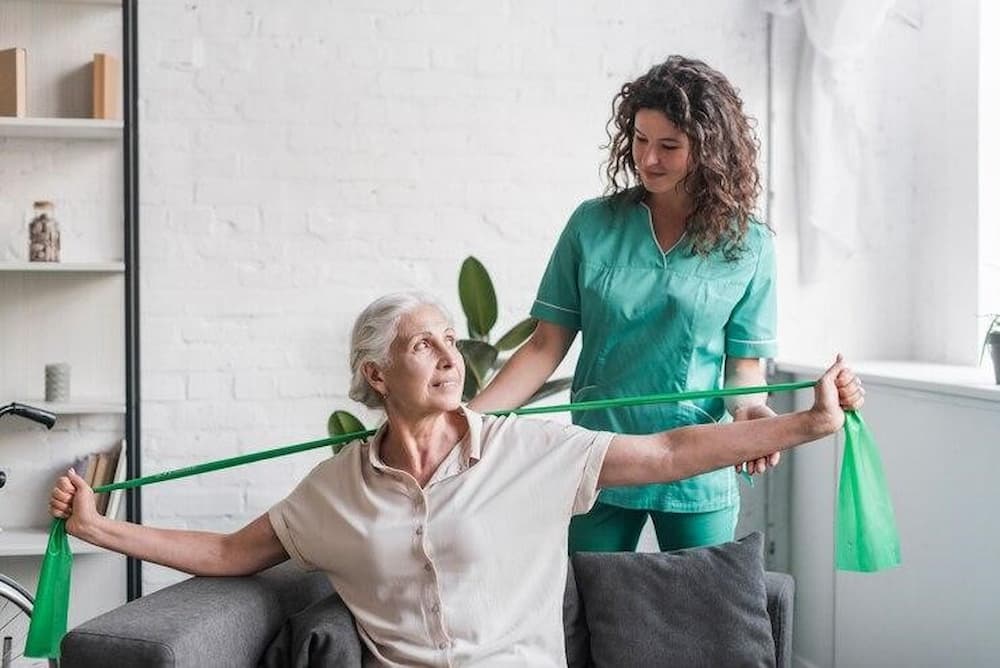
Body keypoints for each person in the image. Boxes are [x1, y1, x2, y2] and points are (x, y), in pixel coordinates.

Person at [50, 292, 863, 667]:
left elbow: (666, 454)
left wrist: (806, 421)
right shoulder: (334, 491)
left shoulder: (522, 452)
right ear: (376, 376)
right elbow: (231, 551)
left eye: (448, 338)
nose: (448, 356)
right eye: (421, 345)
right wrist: (97, 526)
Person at [470, 55, 801, 554]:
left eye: (669, 146)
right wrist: (465, 420)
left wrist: (751, 410)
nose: (648, 159)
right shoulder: (591, 224)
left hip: (697, 463)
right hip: (601, 458)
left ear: (710, 150)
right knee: (586, 609)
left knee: (699, 609)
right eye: (640, 140)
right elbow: (543, 346)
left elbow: (744, 368)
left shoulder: (748, 245)